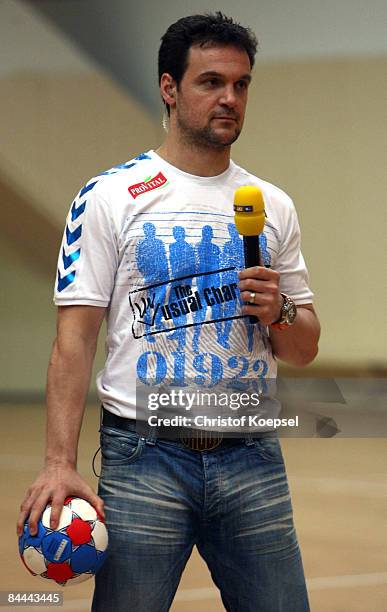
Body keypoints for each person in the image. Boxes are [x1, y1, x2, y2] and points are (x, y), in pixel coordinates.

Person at [17, 12, 320, 612]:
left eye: (241, 84)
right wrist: (59, 463)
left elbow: (303, 346)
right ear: (169, 88)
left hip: (252, 455)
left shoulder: (272, 205)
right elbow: (72, 342)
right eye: (211, 82)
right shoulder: (108, 197)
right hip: (143, 460)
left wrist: (279, 308)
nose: (229, 98)